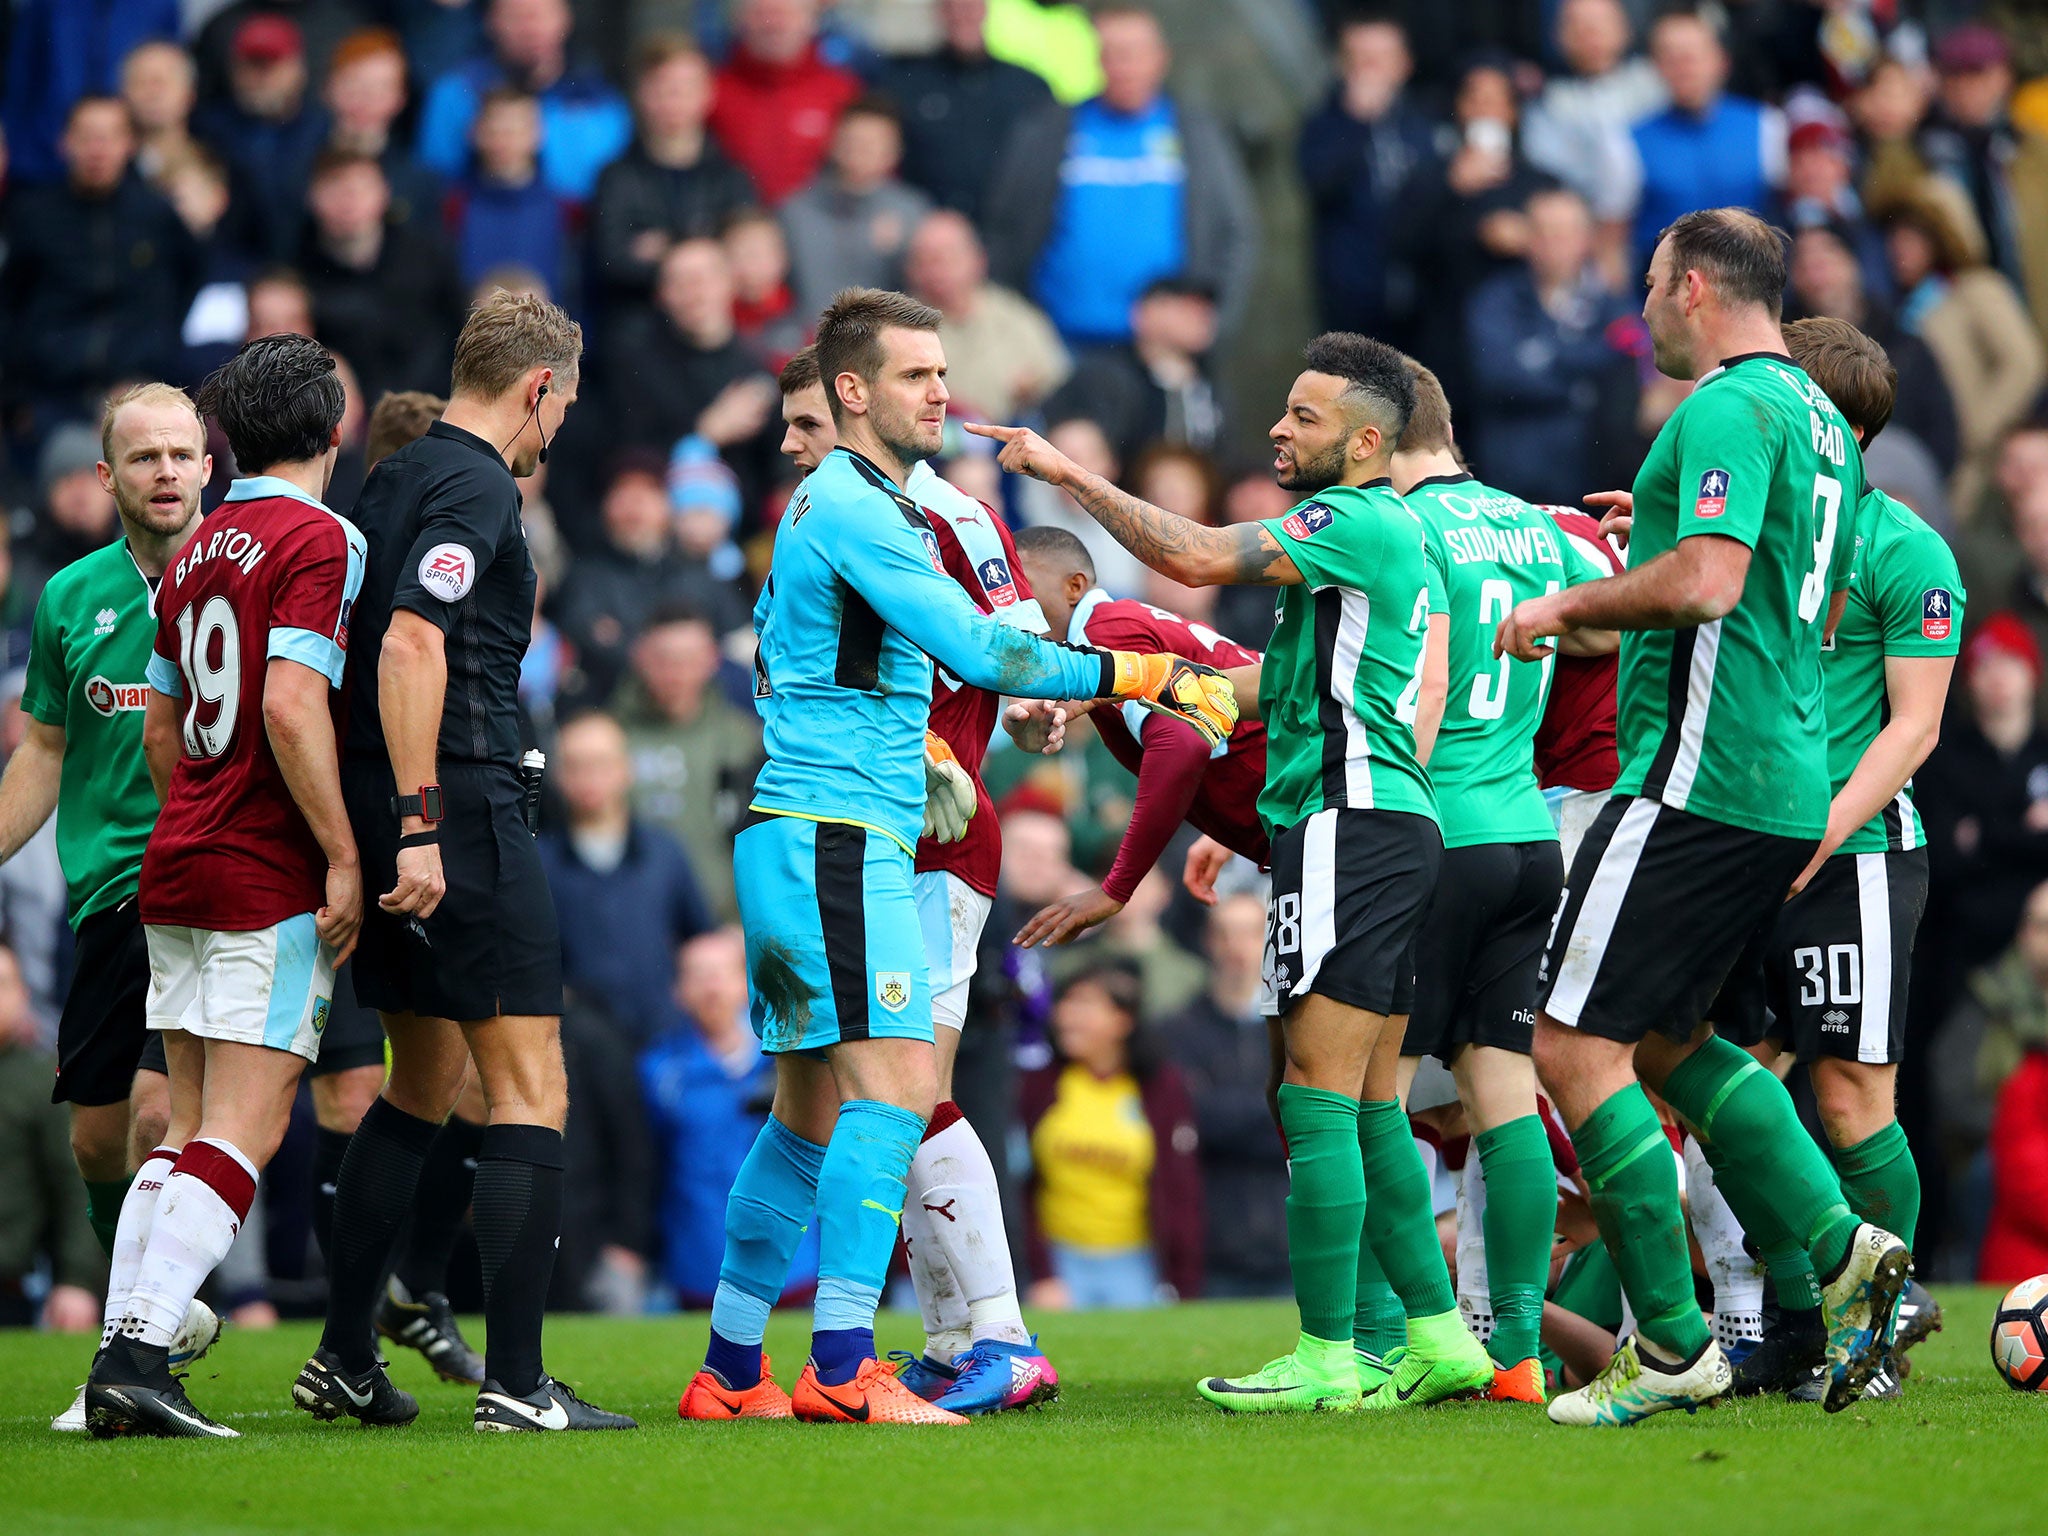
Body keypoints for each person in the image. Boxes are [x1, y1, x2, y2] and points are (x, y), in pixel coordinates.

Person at [673, 288, 1234, 1427]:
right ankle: (848, 1365)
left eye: (941, 372)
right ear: (853, 391)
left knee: (806, 1116)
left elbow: (970, 657)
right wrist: (1146, 674)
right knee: (892, 1098)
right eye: (920, 375)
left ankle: (730, 1372)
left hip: (827, 830)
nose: (944, 392)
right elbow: (989, 647)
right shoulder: (860, 506)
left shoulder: (863, 503)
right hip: (847, 835)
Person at [971, 333, 1493, 1414]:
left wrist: (1068, 472)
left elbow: (1202, 557)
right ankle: (1439, 1339)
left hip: (1347, 828)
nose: (1276, 428)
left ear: (1362, 441)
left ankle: (1325, 1355)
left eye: (1301, 416)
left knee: (1313, 1096)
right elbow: (1252, 686)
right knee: (1369, 1106)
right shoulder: (1363, 550)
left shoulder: (1347, 521)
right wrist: (1112, 691)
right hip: (1384, 826)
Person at [1491, 208, 1905, 1423]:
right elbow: (1765, 574)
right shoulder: (1819, 420)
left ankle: (1671, 1352)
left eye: (1648, 287)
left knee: (1569, 1042)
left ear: (1686, 286)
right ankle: (1840, 1251)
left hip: (1694, 776)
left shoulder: (1724, 405)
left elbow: (1711, 582)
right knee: (1665, 1037)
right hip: (1781, 779)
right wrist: (1655, 535)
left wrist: (1574, 600)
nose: (1644, 312)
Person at [296, 289, 636, 1433]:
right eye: (564, 405)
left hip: (395, 808)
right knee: (532, 1086)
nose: (558, 432)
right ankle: (518, 1385)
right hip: (464, 810)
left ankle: (345, 1354)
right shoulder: (478, 483)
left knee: (421, 1082)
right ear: (538, 386)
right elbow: (406, 643)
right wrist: (425, 819)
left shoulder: (388, 476)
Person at [747, 342, 1067, 1419]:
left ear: (849, 408)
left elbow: (1016, 657)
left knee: (904, 1091)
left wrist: (1032, 712)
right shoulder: (820, 513)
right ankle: (942, 1340)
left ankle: (998, 1334)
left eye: (803, 425)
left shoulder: (952, 515)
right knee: (854, 1100)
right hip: (849, 828)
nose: (791, 446)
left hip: (929, 837)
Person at [85, 333, 366, 1439]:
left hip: (178, 855)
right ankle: (139, 1354)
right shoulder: (321, 536)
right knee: (244, 1128)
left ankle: (114, 1357)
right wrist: (340, 852)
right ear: (333, 432)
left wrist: (202, 807)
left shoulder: (197, 549)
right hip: (261, 872)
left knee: (184, 1127)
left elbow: (161, 728)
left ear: (223, 442)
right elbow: (295, 707)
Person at [1701, 316, 1963, 1399]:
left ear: (1838, 429)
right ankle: (1793, 1321)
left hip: (1853, 855)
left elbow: (1913, 728)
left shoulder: (1905, 548)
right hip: (1733, 844)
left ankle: (1880, 1322)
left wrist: (1817, 834)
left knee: (1851, 1093)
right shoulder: (1753, 532)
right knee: (1734, 1086)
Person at [1389, 359, 1612, 1407]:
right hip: (1532, 835)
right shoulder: (1536, 529)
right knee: (1503, 1102)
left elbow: (1417, 684)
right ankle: (1515, 1356)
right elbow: (1610, 627)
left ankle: (1370, 1341)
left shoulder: (1400, 532)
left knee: (1351, 1100)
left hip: (1436, 831)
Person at [6, 385, 216, 1432]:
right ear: (106, 478)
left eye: (182, 453)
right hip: (105, 898)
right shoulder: (67, 600)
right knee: (97, 1142)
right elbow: (41, 753)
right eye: (144, 458)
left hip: (213, 881)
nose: (166, 472)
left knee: (156, 1115)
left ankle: (131, 1335)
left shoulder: (242, 577)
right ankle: (154, 1312)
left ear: (209, 467)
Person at [1008, 523, 1269, 947]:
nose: (1009, 605)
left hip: (1328, 819)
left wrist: (1114, 889)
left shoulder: (1103, 635)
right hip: (1307, 819)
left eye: (1022, 587)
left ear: (1075, 586)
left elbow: (1182, 743)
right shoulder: (1115, 626)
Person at [984, 5, 1257, 345]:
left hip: (1164, 347)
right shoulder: (1046, 131)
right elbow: (1004, 228)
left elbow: (1235, 233)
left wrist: (1213, 319)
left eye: (1133, 54)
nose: (1122, 66)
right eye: (1110, 54)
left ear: (1161, 58)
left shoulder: (1197, 134)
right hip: (1057, 342)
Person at [641, 927, 818, 1308]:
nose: (712, 987)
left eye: (721, 973)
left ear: (746, 983)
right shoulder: (660, 1072)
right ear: (679, 990)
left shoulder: (791, 1060)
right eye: (698, 975)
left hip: (796, 1266)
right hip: (701, 1270)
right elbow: (644, 1165)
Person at [0, 96, 195, 426]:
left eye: (108, 137)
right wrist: (19, 397)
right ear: (64, 143)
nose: (97, 149)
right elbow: (10, 303)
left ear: (129, 144)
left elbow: (190, 280)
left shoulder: (156, 216)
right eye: (86, 137)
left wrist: (156, 361)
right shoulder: (33, 217)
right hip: (51, 401)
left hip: (141, 395)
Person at [1019, 965, 1203, 1308]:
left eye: (1086, 1005)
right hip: (1057, 1264)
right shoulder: (1038, 1085)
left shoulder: (1160, 1088)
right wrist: (1040, 1273)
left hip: (1136, 1263)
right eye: (1066, 1003)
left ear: (1123, 1020)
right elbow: (1018, 1183)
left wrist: (1182, 1282)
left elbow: (1180, 1189)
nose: (1067, 1016)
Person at [537, 711, 711, 1044]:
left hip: (664, 1035)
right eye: (576, 766)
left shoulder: (664, 852)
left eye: (601, 764)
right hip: (580, 1044)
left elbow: (701, 937)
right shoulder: (542, 862)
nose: (590, 778)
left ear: (625, 769)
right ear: (559, 776)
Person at [1877, 179, 2045, 515]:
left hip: (1989, 464)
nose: (1898, 247)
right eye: (1895, 237)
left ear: (1941, 235)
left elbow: (2023, 364)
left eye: (1912, 236)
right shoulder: (1905, 311)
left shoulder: (1978, 289)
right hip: (1944, 466)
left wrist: (1971, 431)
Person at [1466, 185, 1641, 507]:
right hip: (1512, 475)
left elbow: (1627, 359)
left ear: (1586, 238)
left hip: (1590, 477)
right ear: (1526, 237)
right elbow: (1497, 376)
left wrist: (1546, 357)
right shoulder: (1496, 300)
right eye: (1542, 231)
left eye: (1564, 232)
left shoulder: (1612, 305)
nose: (1553, 242)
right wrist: (1580, 385)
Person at [1158, 892, 1288, 1297]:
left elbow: (1307, 1121)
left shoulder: (1298, 1030)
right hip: (1213, 1246)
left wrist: (1222, 1113)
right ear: (1208, 942)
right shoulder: (1176, 1031)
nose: (1237, 948)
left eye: (1251, 934)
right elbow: (1185, 1119)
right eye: (1225, 934)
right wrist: (1271, 1115)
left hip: (1291, 1246)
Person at [1295, 15, 1440, 348]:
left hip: (1420, 293)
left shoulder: (1425, 121)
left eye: (1379, 60)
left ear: (1403, 64)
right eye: (1360, 60)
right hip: (1352, 298)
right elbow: (1320, 182)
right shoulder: (1324, 124)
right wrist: (1356, 122)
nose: (1370, 71)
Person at [617, 607, 762, 925]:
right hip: (630, 915)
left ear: (712, 659)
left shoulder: (743, 739)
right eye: (664, 659)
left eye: (688, 659)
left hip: (722, 920)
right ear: (640, 656)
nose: (676, 672)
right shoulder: (610, 738)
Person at [590, 35, 755, 311]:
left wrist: (664, 250)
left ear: (708, 93)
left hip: (714, 333)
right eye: (661, 88)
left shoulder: (732, 178)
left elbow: (748, 261)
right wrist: (705, 255)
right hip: (636, 333)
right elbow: (611, 262)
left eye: (684, 88)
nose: (672, 99)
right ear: (639, 95)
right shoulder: (615, 178)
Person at [415, 0, 631, 204]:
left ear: (565, 17)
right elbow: (434, 188)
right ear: (490, 21)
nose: (531, 29)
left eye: (541, 14)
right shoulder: (456, 94)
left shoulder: (601, 102)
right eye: (517, 16)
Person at [298, 150, 468, 406]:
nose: (349, 201)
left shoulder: (429, 256)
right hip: (339, 423)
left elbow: (463, 330)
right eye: (336, 188)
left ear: (384, 193)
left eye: (360, 189)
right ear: (312, 196)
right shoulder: (296, 273)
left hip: (438, 410)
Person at [0, 941, 104, 1332]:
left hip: (12, 1291)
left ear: (24, 994)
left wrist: (76, 1280)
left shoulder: (43, 1080)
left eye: (3, 984)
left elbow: (76, 1182)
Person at [1522, 0, 1666, 282]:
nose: (1589, 34)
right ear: (1558, 37)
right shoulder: (1549, 103)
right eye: (1577, 26)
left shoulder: (1657, 82)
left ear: (1624, 29)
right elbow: (1554, 178)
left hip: (1662, 221)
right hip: (1591, 244)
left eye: (1599, 24)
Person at [873, 0, 1054, 224]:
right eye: (954, 5)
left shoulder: (1028, 88)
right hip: (925, 234)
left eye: (971, 5)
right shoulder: (904, 83)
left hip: (1007, 235)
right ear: (939, 11)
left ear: (985, 9)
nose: (963, 14)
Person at [1628, 13, 1785, 267]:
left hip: (1752, 279)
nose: (1684, 68)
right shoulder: (1629, 141)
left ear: (1722, 60)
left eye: (1692, 56)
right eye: (1671, 58)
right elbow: (1613, 244)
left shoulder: (1768, 126)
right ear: (1656, 67)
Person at [904, 211, 1070, 423]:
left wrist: (1034, 391)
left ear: (978, 260)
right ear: (910, 270)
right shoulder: (900, 329)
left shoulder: (1017, 318)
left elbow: (1058, 382)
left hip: (1009, 442)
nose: (937, 271)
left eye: (948, 258)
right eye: (925, 261)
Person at [1042, 280, 1225, 467]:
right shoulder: (1105, 375)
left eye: (1206, 309)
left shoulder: (1210, 388)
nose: (1202, 315)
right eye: (1186, 306)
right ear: (1144, 313)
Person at [194, 13, 331, 262]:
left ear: (297, 68)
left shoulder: (324, 129)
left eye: (272, 64)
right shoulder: (206, 129)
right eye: (252, 65)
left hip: (309, 270)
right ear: (233, 69)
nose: (262, 77)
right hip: (229, 270)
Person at [780, 97, 933, 318]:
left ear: (895, 152)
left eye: (873, 143)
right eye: (852, 140)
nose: (861, 150)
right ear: (832, 143)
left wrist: (898, 255)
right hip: (811, 343)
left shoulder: (914, 213)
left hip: (887, 345)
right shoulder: (794, 213)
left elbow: (929, 292)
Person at [707, 0, 862, 204]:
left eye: (786, 14)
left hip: (817, 227)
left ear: (811, 22)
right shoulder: (712, 91)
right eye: (761, 14)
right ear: (739, 21)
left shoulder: (842, 92)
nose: (774, 25)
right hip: (734, 224)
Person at [443, 87, 576, 298]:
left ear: (538, 134)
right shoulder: (452, 207)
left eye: (514, 131)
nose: (503, 143)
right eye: (494, 131)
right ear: (475, 133)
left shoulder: (567, 210)